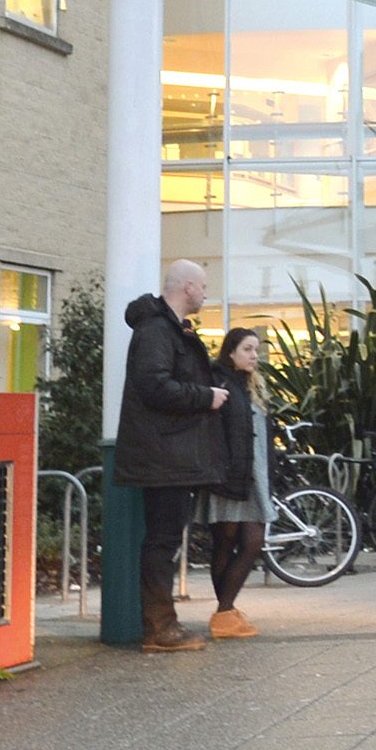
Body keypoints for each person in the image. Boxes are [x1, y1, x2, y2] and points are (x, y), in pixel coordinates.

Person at [111, 258, 225, 652]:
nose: (207, 294)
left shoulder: (166, 330)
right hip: (165, 455)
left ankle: (163, 625)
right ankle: (160, 628)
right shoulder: (158, 330)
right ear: (188, 287)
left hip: (169, 453)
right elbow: (154, 386)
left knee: (163, 542)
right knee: (161, 543)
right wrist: (206, 396)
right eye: (204, 286)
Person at [200, 327, 271, 639]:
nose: (254, 355)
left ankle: (224, 612)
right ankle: (224, 615)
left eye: (256, 349)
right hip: (228, 476)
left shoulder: (249, 385)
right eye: (247, 349)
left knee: (252, 543)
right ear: (230, 352)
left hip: (252, 476)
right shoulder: (220, 382)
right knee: (226, 542)